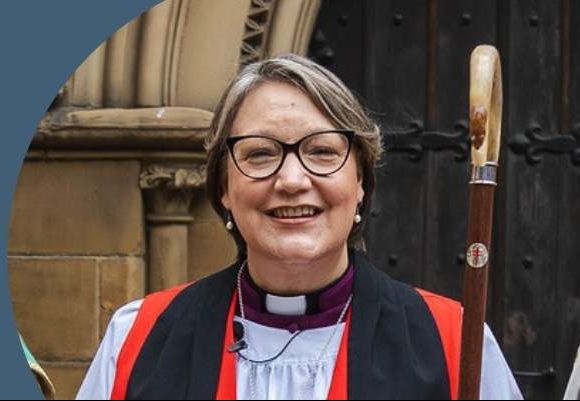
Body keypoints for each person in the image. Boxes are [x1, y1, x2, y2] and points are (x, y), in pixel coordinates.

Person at [76, 54, 522, 400]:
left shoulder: (454, 342)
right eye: (259, 153)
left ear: (361, 182)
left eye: (322, 151)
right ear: (224, 188)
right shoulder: (138, 337)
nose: (291, 180)